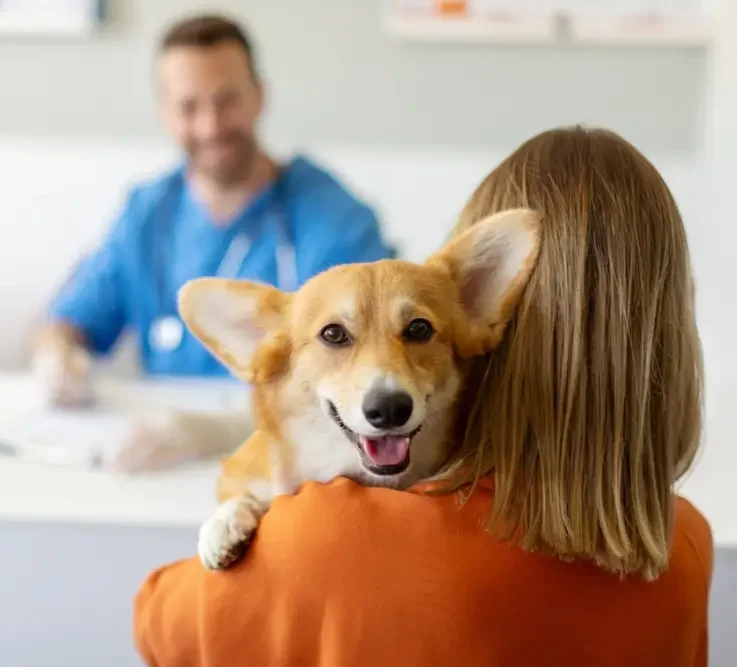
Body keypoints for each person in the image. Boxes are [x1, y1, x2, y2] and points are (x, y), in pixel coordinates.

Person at [132, 127, 713, 666]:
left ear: (488, 317)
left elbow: (158, 621)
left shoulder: (332, 536)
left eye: (419, 330)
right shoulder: (685, 543)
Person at [33, 14, 393, 406]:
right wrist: (56, 356)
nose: (210, 126)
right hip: (162, 450)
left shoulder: (335, 221)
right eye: (189, 107)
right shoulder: (146, 215)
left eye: (227, 100)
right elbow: (68, 321)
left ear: (259, 96)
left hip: (292, 450)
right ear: (166, 115)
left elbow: (376, 364)